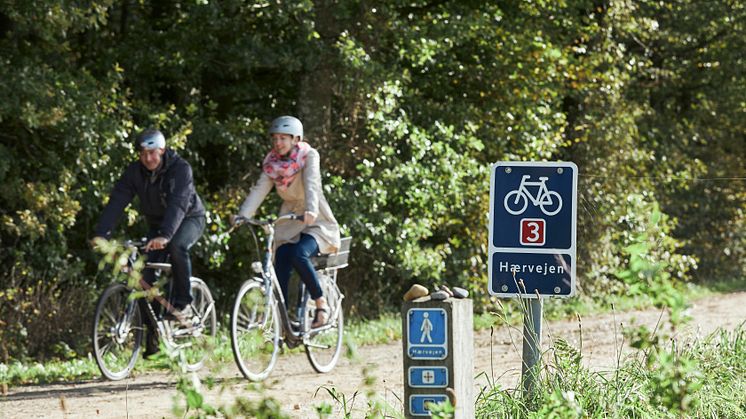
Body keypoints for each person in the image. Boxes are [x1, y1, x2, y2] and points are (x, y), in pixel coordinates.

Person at [92, 129, 206, 356]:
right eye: (143, 153)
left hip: (189, 219)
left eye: (152, 153)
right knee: (143, 279)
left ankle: (183, 302)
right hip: (158, 225)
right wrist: (101, 233)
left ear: (162, 151)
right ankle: (152, 336)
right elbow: (118, 201)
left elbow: (179, 204)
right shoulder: (135, 173)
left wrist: (165, 235)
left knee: (176, 246)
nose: (148, 158)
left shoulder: (180, 169)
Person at [234, 115, 340, 328]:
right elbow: (259, 190)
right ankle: (282, 320)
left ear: (296, 138)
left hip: (316, 218)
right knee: (281, 255)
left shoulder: (309, 156)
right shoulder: (272, 163)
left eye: (283, 138)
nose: (278, 143)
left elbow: (311, 184)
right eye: (275, 138)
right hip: (291, 219)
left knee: (298, 253)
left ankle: (321, 304)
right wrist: (242, 215)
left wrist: (310, 210)